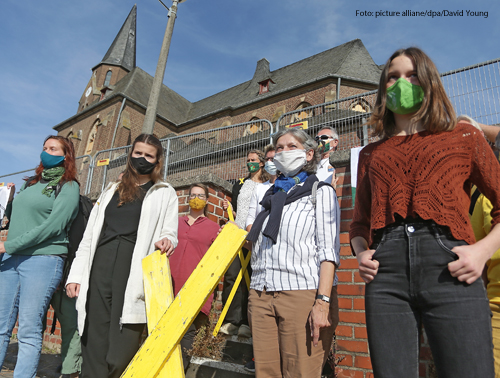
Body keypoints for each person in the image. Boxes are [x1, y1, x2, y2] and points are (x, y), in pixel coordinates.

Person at [350, 47, 500, 377]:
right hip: (386, 277)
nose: (402, 82)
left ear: (430, 81)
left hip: (452, 268)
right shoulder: (371, 155)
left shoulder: (463, 136)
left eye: (412, 74)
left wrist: (481, 252)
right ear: (383, 88)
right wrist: (361, 254)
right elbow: (359, 223)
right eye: (393, 76)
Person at [66, 134, 178, 378]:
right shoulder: (111, 190)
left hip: (134, 263)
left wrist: (168, 239)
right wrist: (75, 275)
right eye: (138, 153)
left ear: (157, 160)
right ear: (130, 155)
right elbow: (89, 237)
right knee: (94, 334)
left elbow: (170, 229)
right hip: (101, 261)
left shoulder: (164, 192)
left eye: (149, 155)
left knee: (121, 349)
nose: (142, 159)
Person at [246, 128, 340, 377]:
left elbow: (328, 252)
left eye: (291, 146)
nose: (283, 151)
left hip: (300, 293)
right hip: (261, 293)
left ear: (309, 154)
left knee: (300, 372)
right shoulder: (268, 198)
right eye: (279, 147)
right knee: (266, 373)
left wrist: (322, 303)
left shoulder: (319, 192)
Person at [0, 135, 80, 377]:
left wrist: (9, 245)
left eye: (52, 148)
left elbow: (53, 227)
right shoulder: (31, 183)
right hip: (11, 259)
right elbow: (16, 219)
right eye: (44, 147)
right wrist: (9, 201)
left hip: (43, 259)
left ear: (65, 155)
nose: (46, 151)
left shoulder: (69, 186)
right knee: (1, 325)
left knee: (28, 328)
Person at [169, 183, 220, 371]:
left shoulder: (214, 228)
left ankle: (178, 372)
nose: (196, 198)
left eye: (200, 195)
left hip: (193, 287)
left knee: (186, 334)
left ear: (207, 200)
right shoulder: (174, 222)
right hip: (169, 283)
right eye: (192, 195)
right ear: (187, 199)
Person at [220, 149, 267, 337]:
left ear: (262, 162)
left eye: (253, 160)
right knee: (233, 276)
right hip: (236, 236)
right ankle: (232, 320)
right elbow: (239, 209)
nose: (250, 163)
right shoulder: (240, 184)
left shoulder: (267, 185)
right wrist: (230, 208)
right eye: (248, 160)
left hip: (254, 237)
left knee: (251, 277)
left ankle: (247, 323)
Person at [246, 145, 276, 231]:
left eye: (272, 159)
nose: (269, 162)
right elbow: (251, 217)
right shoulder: (260, 188)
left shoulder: (291, 185)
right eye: (267, 159)